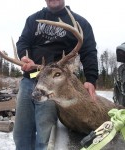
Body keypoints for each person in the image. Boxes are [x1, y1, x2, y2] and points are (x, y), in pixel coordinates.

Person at [13, 0, 98, 149]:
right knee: (21, 132)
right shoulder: (33, 19)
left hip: (56, 85)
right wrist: (24, 57)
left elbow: (89, 51)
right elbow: (23, 42)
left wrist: (91, 79)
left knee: (45, 133)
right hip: (29, 80)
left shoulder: (79, 23)